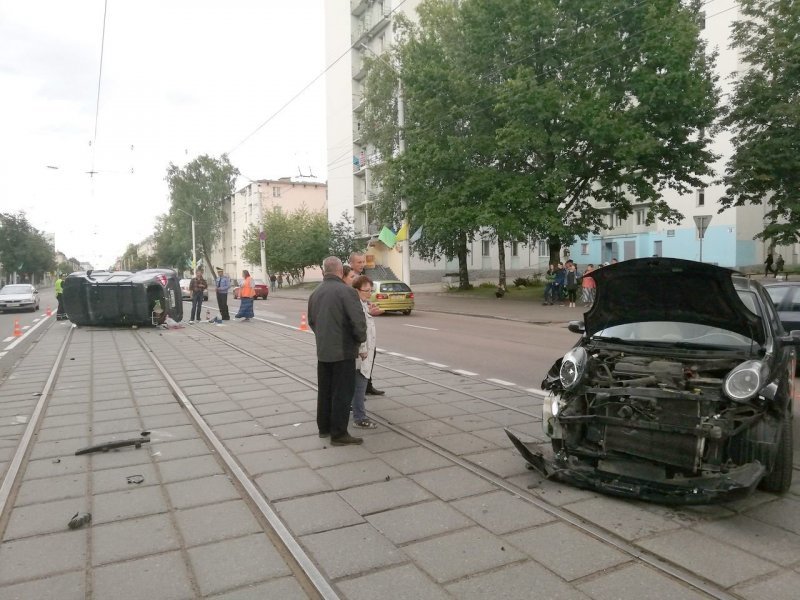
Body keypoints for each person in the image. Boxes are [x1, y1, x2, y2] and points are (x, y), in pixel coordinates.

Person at [307, 256, 367, 445]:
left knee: (325, 390)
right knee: (343, 392)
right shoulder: (347, 292)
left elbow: (312, 321)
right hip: (343, 350)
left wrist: (323, 337)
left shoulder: (315, 293)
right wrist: (359, 340)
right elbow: (358, 322)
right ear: (341, 271)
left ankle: (324, 428)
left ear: (324, 272)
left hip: (324, 350)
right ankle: (339, 434)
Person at [348, 250, 385, 395]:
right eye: (359, 262)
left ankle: (367, 386)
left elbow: (363, 303)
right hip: (358, 334)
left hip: (366, 329)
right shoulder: (351, 279)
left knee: (371, 357)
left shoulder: (363, 277)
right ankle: (357, 393)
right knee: (358, 363)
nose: (362, 264)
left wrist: (369, 309)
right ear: (351, 263)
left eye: (363, 261)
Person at [351, 274, 378, 429]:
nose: (369, 294)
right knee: (360, 387)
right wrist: (362, 349)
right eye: (366, 291)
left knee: (358, 385)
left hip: (365, 352)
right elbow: (358, 329)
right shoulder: (357, 307)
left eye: (371, 290)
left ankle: (356, 414)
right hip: (361, 354)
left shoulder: (363, 304)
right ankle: (359, 418)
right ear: (356, 290)